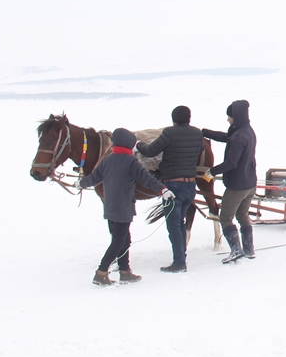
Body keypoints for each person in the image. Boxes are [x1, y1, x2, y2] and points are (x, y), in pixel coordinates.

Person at [77, 127, 174, 286]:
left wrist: (80, 183)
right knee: (119, 241)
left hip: (109, 207)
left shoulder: (107, 161)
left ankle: (125, 271)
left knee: (124, 239)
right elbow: (147, 179)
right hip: (123, 208)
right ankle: (101, 272)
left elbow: (93, 178)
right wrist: (163, 189)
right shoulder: (131, 162)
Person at [136, 105, 202, 273]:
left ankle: (179, 262)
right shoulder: (197, 133)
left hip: (173, 185)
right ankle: (182, 256)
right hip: (190, 186)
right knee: (180, 221)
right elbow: (200, 149)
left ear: (173, 120)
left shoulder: (169, 133)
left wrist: (138, 145)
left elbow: (151, 151)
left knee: (173, 224)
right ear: (189, 118)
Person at [202, 100, 258, 263]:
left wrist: (211, 172)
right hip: (250, 183)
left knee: (225, 217)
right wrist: (206, 132)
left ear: (236, 116)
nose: (228, 119)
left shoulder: (238, 136)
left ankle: (236, 250)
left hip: (237, 185)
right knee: (242, 214)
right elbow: (227, 137)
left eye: (229, 116)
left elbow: (231, 163)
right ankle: (249, 249)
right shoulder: (246, 131)